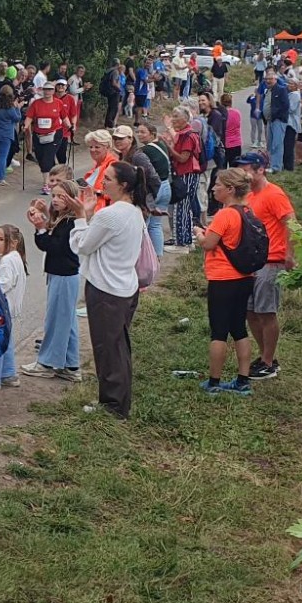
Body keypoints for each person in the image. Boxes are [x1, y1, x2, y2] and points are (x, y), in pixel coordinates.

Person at [53, 161, 147, 419]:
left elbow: (82, 245)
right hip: (125, 285)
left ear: (123, 185)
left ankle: (113, 406)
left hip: (106, 289)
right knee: (118, 347)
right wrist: (88, 214)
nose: (102, 182)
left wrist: (80, 217)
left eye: (108, 179)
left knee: (107, 349)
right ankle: (118, 400)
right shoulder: (134, 211)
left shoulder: (111, 215)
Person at [198, 167, 258, 396]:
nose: (214, 188)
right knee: (239, 328)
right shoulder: (248, 211)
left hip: (223, 278)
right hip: (245, 277)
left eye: (218, 185)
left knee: (219, 331)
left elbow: (209, 244)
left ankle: (214, 381)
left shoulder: (225, 215)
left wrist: (199, 234)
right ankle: (243, 380)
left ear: (230, 189)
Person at [242, 154, 297, 380]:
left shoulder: (274, 194)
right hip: (253, 262)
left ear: (260, 170)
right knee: (251, 311)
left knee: (266, 312)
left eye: (247, 169)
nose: (243, 174)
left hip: (271, 260)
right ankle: (266, 356)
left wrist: (289, 254)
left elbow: (291, 223)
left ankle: (268, 361)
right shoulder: (249, 195)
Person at [28, 189, 81, 379]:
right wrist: (44, 217)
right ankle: (71, 365)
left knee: (56, 321)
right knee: (67, 320)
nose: (55, 200)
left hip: (64, 275)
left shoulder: (70, 223)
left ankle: (47, 363)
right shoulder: (63, 220)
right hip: (62, 274)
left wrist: (41, 228)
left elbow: (53, 246)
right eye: (54, 196)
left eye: (61, 196)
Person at [0, 225, 27, 388]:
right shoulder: (15, 258)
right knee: (5, 340)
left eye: (1, 239)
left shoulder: (7, 261)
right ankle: (8, 374)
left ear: (14, 242)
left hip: (1, 307)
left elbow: (4, 284)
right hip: (9, 307)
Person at [136, 120, 173, 258]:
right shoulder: (161, 145)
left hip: (154, 189)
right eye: (138, 132)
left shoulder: (145, 151)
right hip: (166, 186)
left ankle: (144, 258)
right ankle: (157, 256)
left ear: (152, 134)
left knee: (144, 226)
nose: (139, 135)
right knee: (156, 225)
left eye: (143, 132)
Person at [169, 108, 204, 247]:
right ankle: (187, 239)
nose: (173, 119)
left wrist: (169, 148)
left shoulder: (188, 136)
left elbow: (183, 158)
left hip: (187, 173)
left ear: (185, 119)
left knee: (181, 207)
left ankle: (181, 242)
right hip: (187, 173)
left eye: (176, 116)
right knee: (185, 208)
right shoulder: (184, 134)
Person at [25, 82, 67, 174]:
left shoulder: (58, 103)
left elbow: (64, 117)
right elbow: (29, 117)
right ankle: (54, 175)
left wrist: (70, 126)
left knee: (47, 159)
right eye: (45, 89)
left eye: (50, 89)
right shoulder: (36, 103)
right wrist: (26, 126)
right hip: (38, 135)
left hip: (55, 133)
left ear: (53, 91)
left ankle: (47, 181)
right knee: (41, 158)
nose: (47, 91)